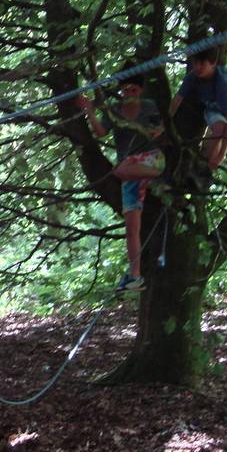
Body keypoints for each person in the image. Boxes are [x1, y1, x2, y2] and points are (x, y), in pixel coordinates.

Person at [77, 63, 165, 293]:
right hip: (129, 172)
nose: (128, 94)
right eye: (125, 90)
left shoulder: (149, 107)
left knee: (122, 168)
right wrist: (89, 110)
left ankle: (158, 179)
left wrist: (155, 130)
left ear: (140, 90)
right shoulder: (114, 109)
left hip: (149, 160)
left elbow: (161, 130)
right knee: (131, 226)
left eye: (133, 90)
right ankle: (135, 276)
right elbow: (101, 132)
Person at [169, 46, 227, 190]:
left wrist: (221, 154)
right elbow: (177, 100)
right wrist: (164, 124)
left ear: (213, 63)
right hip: (213, 111)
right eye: (195, 63)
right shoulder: (192, 78)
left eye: (202, 63)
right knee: (219, 129)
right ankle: (204, 173)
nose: (198, 67)